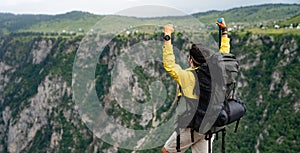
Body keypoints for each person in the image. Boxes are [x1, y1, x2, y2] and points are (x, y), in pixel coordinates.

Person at [161, 18, 230, 153]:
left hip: (193, 127)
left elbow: (169, 64)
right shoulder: (218, 71)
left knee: (166, 151)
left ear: (191, 61)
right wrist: (224, 32)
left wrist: (167, 36)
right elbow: (224, 53)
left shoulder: (187, 77)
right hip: (211, 124)